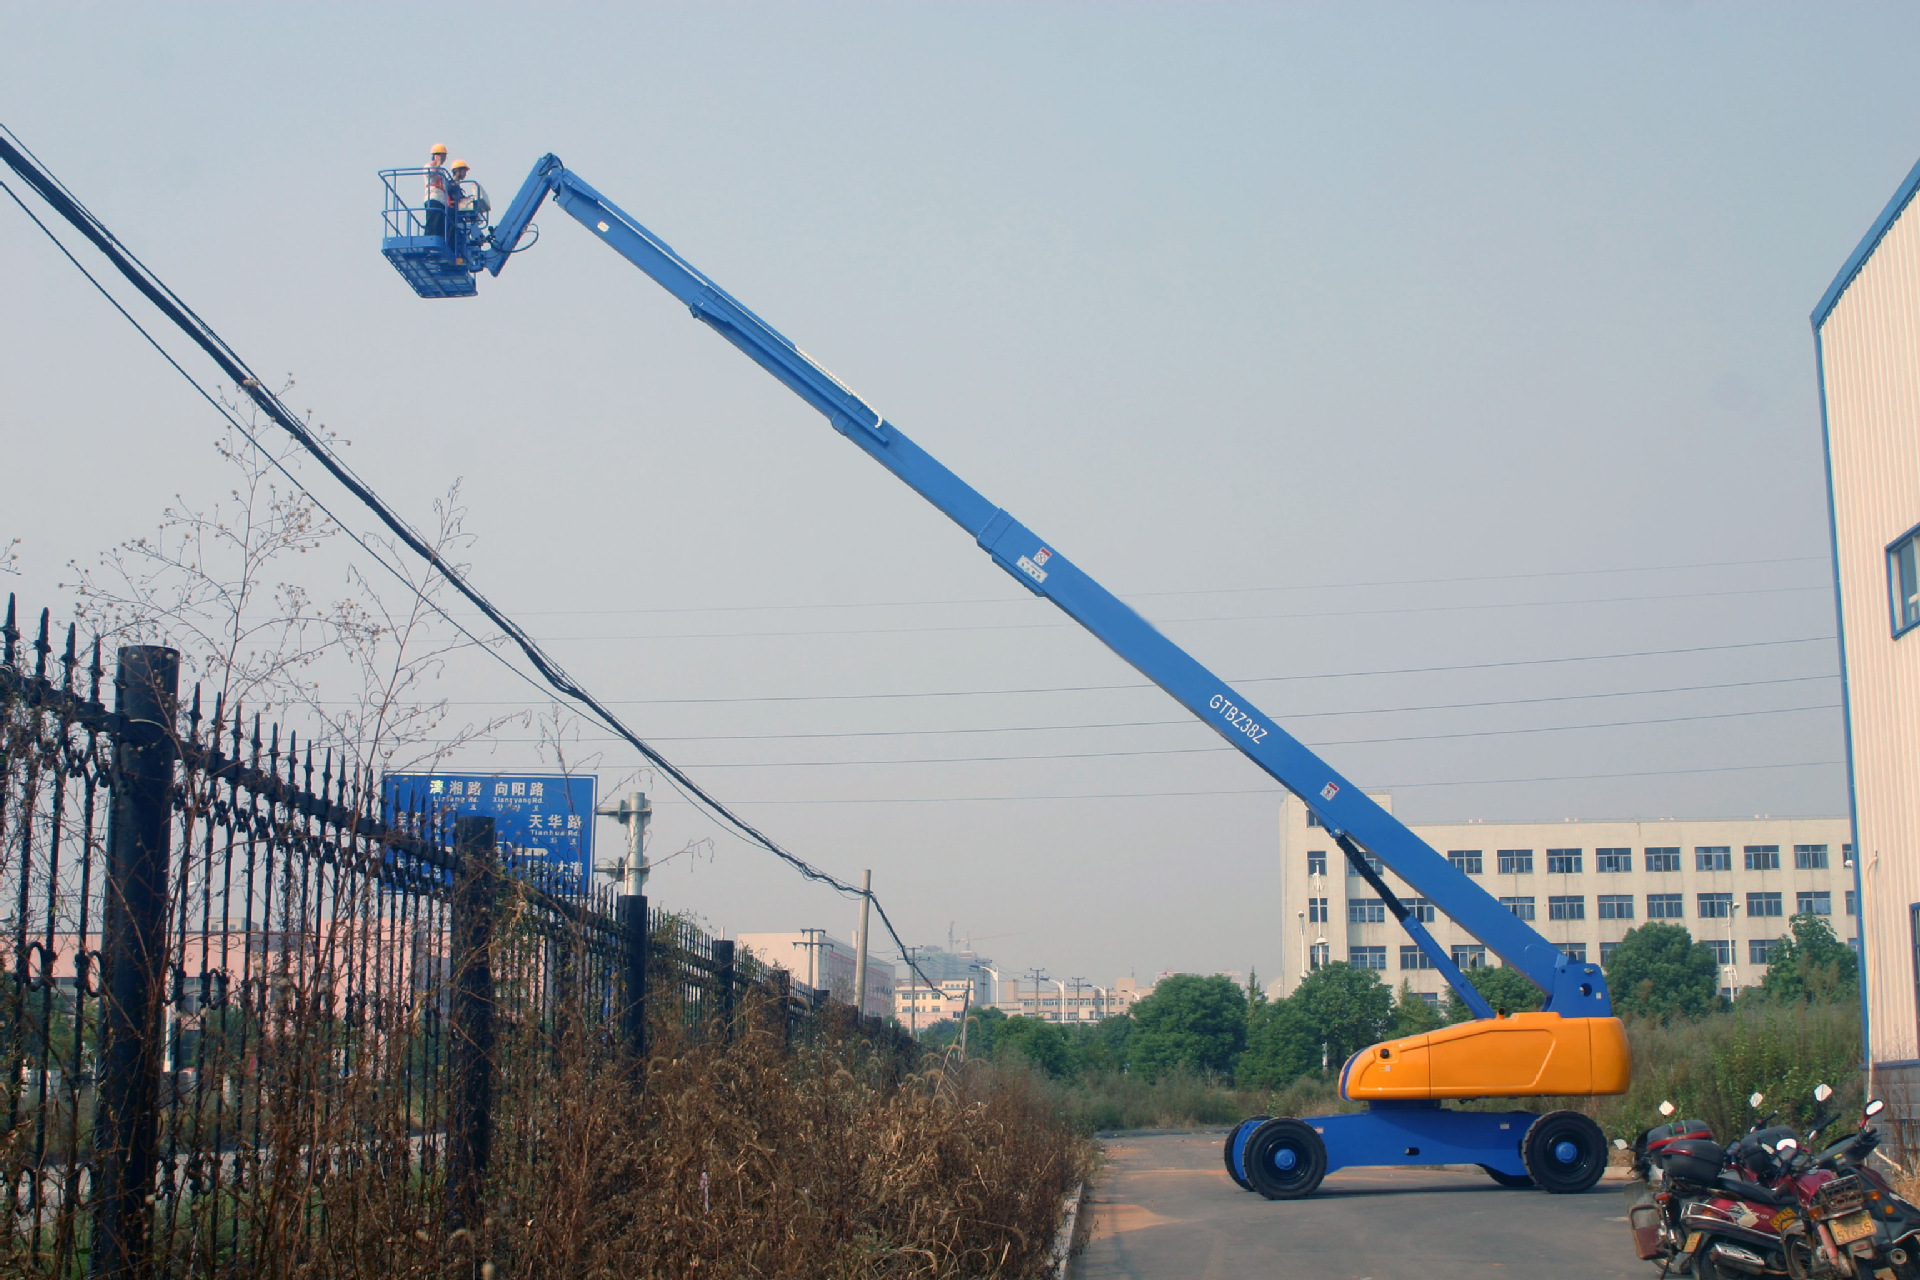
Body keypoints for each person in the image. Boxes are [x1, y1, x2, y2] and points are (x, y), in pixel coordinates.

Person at [423, 143, 450, 241]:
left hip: (441, 200)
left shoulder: (442, 171)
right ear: (436, 155)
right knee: (433, 222)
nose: (444, 159)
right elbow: (431, 174)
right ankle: (428, 240)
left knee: (440, 224)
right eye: (443, 156)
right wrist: (437, 164)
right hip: (433, 197)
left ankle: (439, 240)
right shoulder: (428, 166)